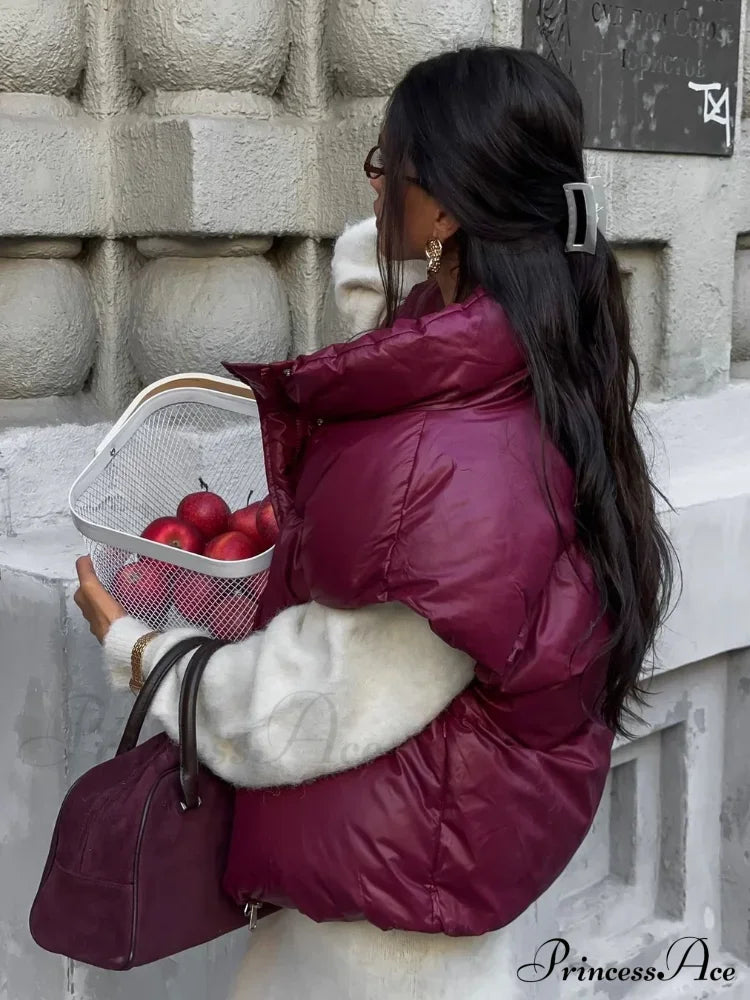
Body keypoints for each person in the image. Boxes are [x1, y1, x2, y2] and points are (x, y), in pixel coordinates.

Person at [74, 45, 674, 999]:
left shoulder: (451, 461)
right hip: (410, 874)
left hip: (371, 954)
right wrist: (409, 255)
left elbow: (308, 707)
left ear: (445, 211)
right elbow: (404, 374)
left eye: (385, 165)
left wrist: (140, 649)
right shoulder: (529, 368)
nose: (375, 186)